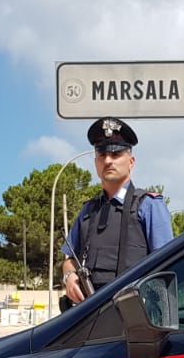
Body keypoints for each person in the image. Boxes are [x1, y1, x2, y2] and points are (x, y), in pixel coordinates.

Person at [61, 117, 173, 305]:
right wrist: (70, 276)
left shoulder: (148, 205)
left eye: (116, 154)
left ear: (131, 162)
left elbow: (166, 265)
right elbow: (69, 260)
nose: (108, 161)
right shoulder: (88, 210)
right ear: (96, 162)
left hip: (135, 312)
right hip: (89, 313)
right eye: (102, 154)